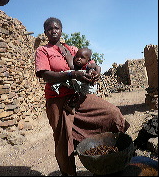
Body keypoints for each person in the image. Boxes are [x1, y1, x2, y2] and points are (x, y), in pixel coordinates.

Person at [35, 17, 130, 176]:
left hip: (78, 97)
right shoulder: (43, 51)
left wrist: (96, 69)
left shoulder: (72, 49)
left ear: (61, 29)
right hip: (57, 101)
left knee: (111, 113)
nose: (53, 31)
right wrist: (72, 74)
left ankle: (109, 159)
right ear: (45, 32)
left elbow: (90, 62)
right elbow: (45, 75)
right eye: (49, 29)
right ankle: (69, 173)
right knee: (63, 141)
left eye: (56, 28)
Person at [51, 47, 100, 114]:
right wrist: (67, 56)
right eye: (77, 56)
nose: (78, 59)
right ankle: (57, 86)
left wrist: (96, 73)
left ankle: (72, 106)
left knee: (80, 96)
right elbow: (70, 65)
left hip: (85, 86)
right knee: (66, 73)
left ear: (88, 60)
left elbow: (97, 67)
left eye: (82, 57)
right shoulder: (74, 65)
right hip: (75, 84)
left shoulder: (88, 66)